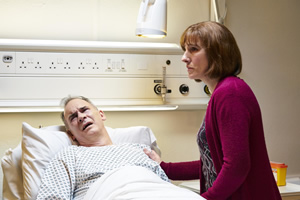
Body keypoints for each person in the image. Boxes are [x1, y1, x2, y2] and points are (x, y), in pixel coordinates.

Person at [144, 21, 282, 200]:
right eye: (185, 50)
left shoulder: (231, 93)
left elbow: (237, 166)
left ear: (217, 53)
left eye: (193, 49)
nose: (184, 57)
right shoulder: (222, 93)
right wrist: (164, 167)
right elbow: (212, 163)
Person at [36, 96, 169, 199]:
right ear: (72, 135)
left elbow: (166, 185)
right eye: (73, 117)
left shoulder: (140, 149)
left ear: (101, 114)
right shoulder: (69, 156)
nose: (81, 117)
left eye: (84, 110)